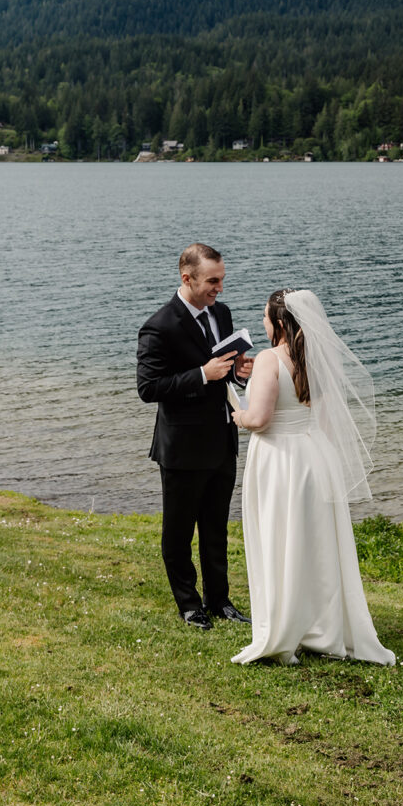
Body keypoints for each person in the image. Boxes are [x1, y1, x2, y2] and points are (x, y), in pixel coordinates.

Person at [231, 289, 395, 666]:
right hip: (315, 456)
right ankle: (323, 626)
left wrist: (236, 414)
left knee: (282, 539)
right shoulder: (313, 358)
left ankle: (287, 625)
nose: (262, 322)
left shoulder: (272, 360)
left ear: (279, 323)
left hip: (281, 460)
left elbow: (259, 420)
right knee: (316, 543)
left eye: (265, 317)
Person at [136, 243, 253, 630]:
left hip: (222, 440)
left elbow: (224, 369)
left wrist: (239, 372)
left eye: (222, 279)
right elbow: (149, 387)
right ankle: (189, 604)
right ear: (187, 278)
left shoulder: (222, 313)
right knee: (179, 532)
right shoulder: (160, 326)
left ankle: (219, 600)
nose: (219, 288)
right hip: (183, 447)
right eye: (212, 281)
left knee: (216, 527)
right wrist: (203, 374)